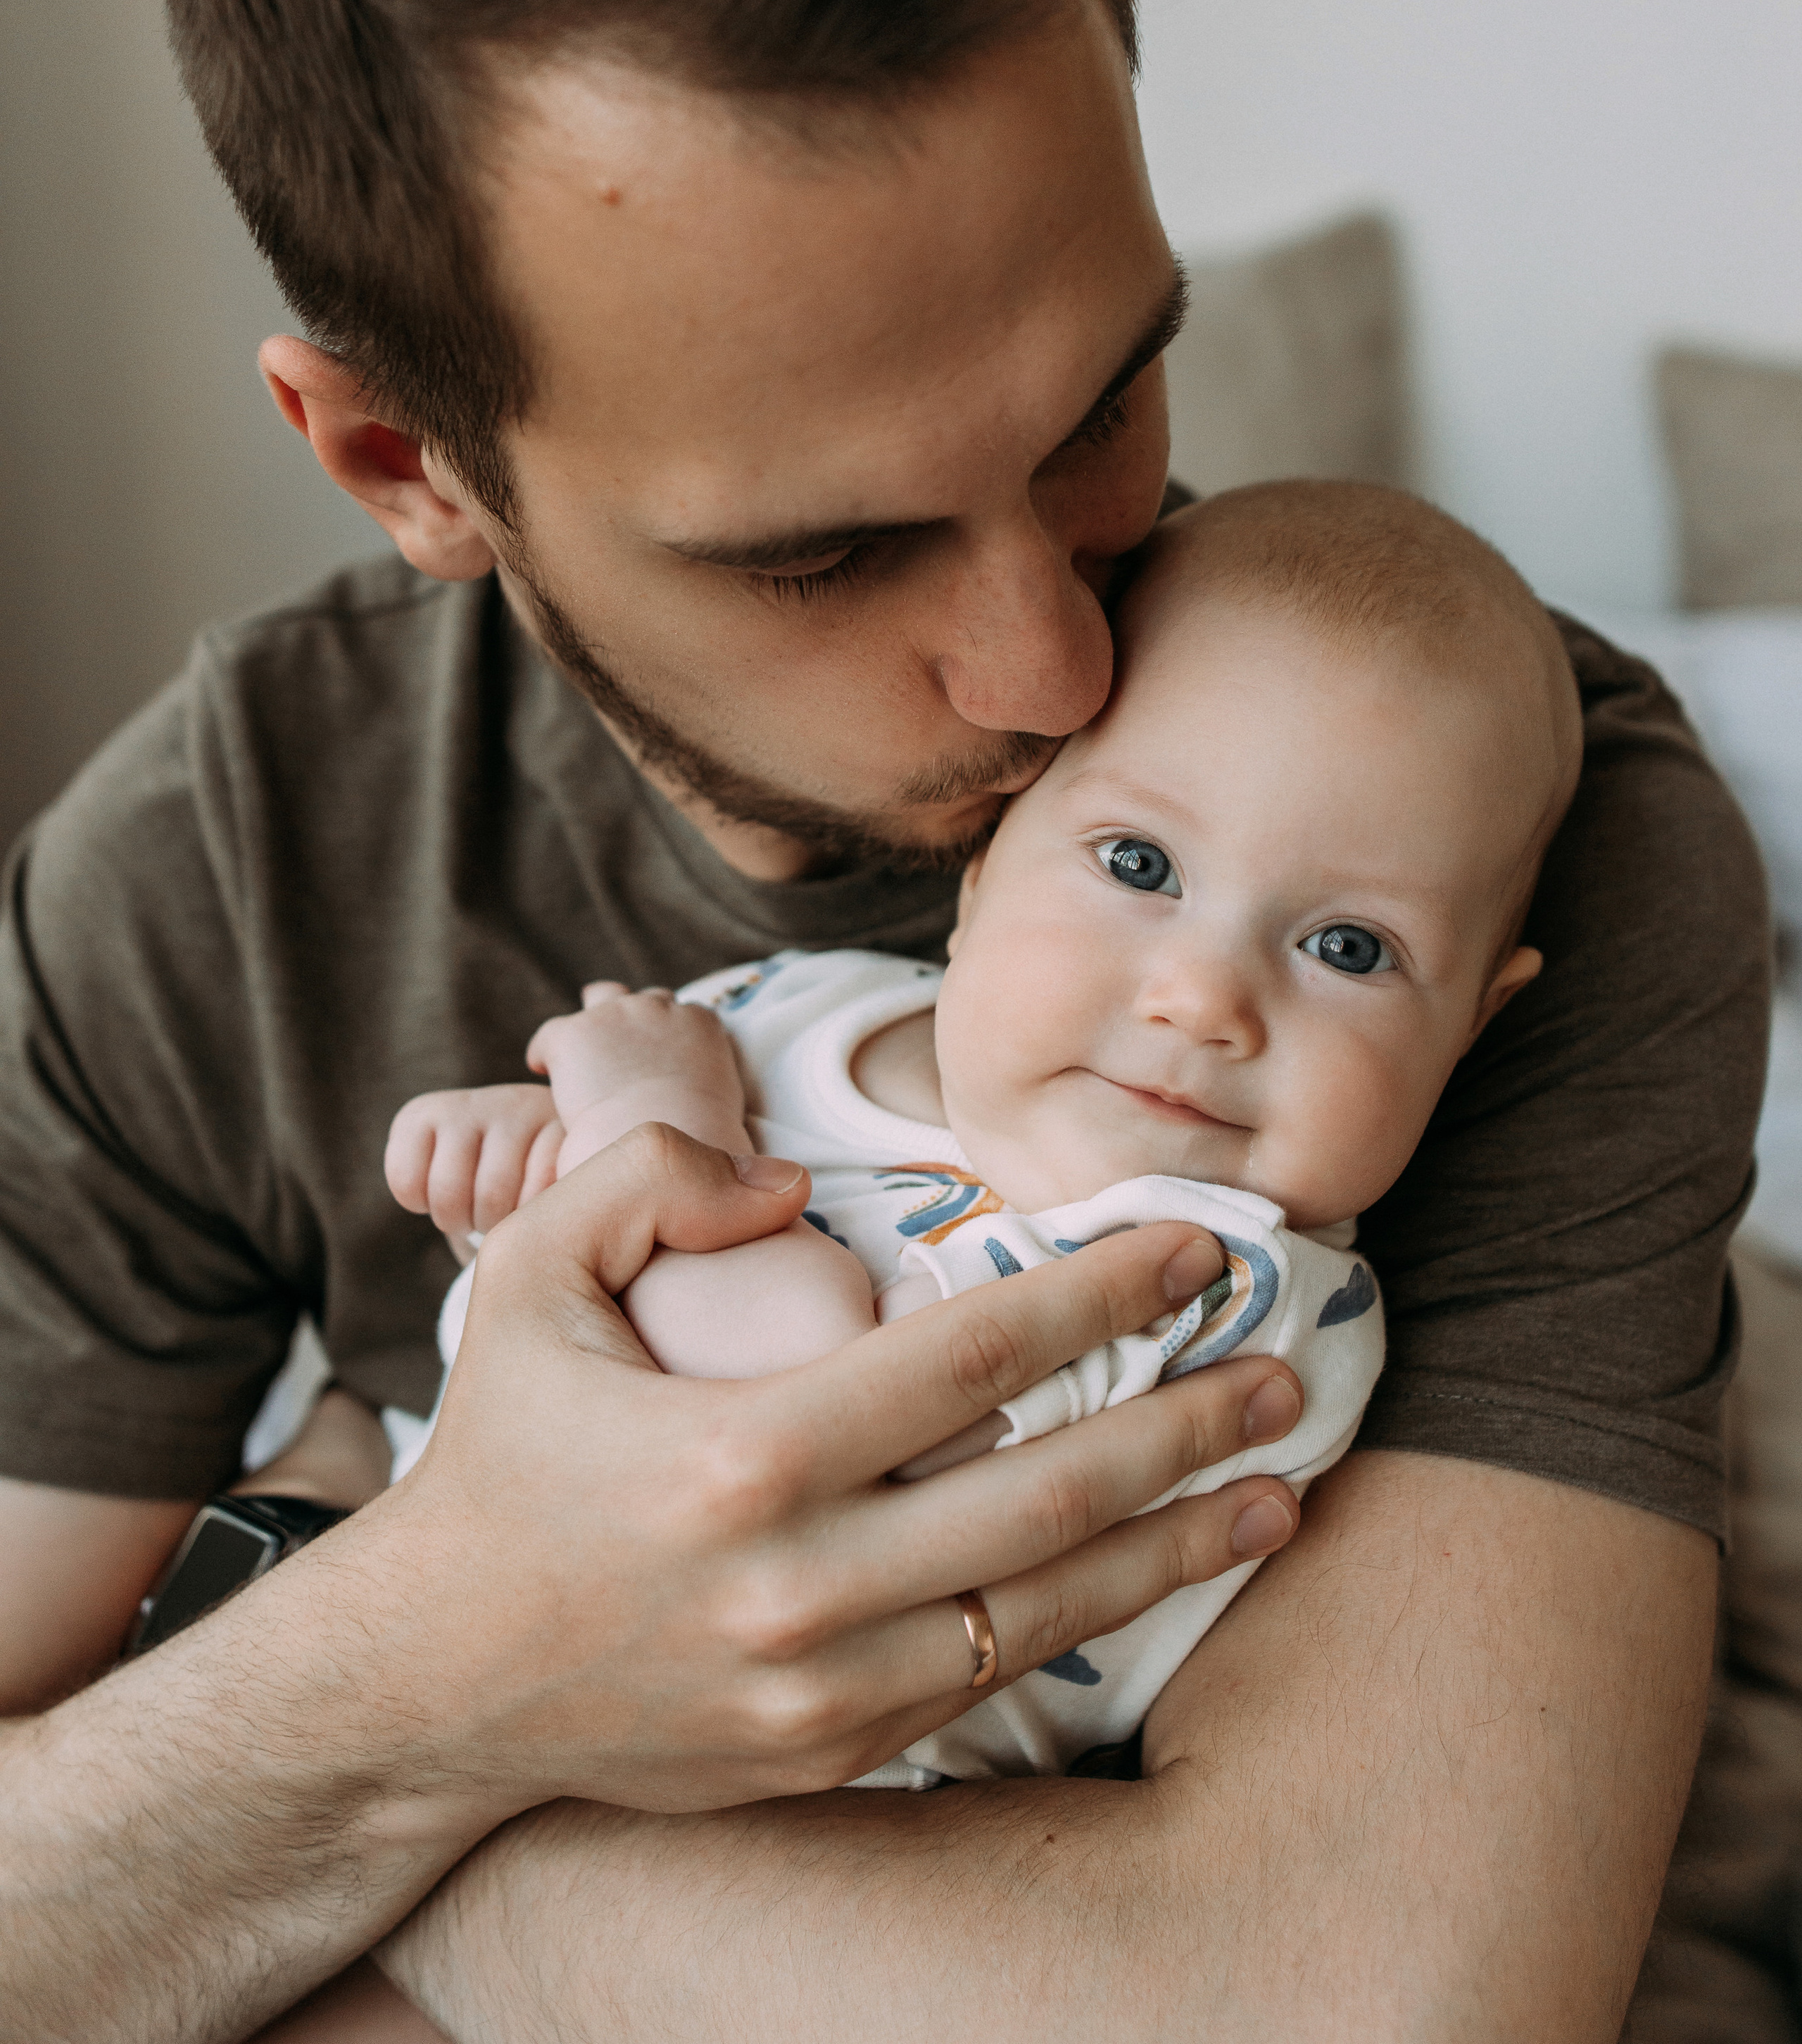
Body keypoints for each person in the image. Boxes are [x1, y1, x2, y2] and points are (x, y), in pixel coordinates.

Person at [0, 0, 1765, 2044]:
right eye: (825, 553)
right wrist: (450, 1646)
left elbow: (1359, 2013)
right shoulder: (228, 868)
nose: (1059, 663)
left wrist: (392, 1794)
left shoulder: (1503, 810)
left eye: (1106, 404)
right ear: (407, 465)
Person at [373, 481, 1576, 1793]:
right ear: (986, 864)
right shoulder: (797, 1010)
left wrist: (639, 1128)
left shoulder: (1219, 1287)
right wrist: (512, 1165)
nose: (1205, 1001)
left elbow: (792, 1435)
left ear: (1469, 1026)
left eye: (1349, 948)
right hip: (426, 1646)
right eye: (1138, 865)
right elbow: (557, 1281)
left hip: (762, 1831)